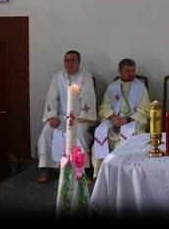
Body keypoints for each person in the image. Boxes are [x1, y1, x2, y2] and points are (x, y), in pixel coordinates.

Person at [36, 50, 97, 183]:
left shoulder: (85, 76)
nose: (69, 63)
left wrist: (83, 115)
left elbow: (88, 96)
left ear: (79, 62)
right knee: (47, 129)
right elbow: (52, 98)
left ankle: (82, 167)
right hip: (62, 116)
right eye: (66, 61)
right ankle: (46, 167)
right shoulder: (57, 77)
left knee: (79, 131)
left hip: (80, 116)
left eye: (72, 60)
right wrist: (52, 116)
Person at [92, 58, 150, 178]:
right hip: (115, 121)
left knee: (130, 136)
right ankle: (102, 174)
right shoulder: (112, 87)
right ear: (120, 71)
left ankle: (127, 175)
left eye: (133, 70)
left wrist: (127, 120)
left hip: (133, 120)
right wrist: (113, 118)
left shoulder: (141, 87)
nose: (131, 74)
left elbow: (145, 110)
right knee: (101, 133)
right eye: (127, 71)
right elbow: (104, 107)